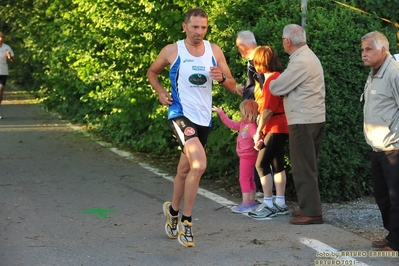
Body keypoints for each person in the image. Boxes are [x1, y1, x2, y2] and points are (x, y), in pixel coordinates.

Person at [146, 7, 236, 247]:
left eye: (203, 27)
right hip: (180, 115)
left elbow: (231, 84)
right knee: (199, 165)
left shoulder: (213, 51)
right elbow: (152, 72)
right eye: (194, 27)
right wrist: (160, 91)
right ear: (184, 26)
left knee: (185, 171)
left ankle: (172, 213)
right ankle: (186, 222)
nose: (199, 32)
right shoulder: (172, 51)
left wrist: (222, 78)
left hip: (203, 119)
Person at [270, 24, 325, 225]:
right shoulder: (307, 56)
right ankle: (307, 207)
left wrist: (272, 84)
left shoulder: (301, 60)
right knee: (307, 165)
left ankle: (311, 212)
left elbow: (278, 86)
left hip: (303, 120)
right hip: (312, 117)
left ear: (287, 41)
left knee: (303, 167)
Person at [360, 31, 399, 252]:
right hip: (378, 147)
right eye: (362, 49)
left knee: (396, 198)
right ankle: (392, 234)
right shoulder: (375, 72)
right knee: (382, 196)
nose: (363, 54)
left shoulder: (394, 73)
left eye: (368, 49)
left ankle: (396, 242)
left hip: (394, 147)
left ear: (383, 50)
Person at [246, 46, 290, 220]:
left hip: (275, 126)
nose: (254, 65)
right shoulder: (277, 77)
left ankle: (268, 203)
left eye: (256, 61)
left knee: (261, 164)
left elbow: (267, 111)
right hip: (281, 126)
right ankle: (280, 202)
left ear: (262, 61)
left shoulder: (272, 81)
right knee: (277, 163)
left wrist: (258, 132)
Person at [212, 100, 259, 213]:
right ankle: (251, 201)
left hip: (248, 155)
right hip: (246, 155)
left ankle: (246, 203)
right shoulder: (243, 124)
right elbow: (231, 124)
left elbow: (256, 137)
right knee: (250, 178)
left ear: (247, 112)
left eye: (242, 111)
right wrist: (221, 113)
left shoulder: (251, 126)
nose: (240, 114)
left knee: (244, 179)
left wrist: (259, 142)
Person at [236, 30, 265, 195]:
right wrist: (246, 89)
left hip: (257, 113)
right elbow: (255, 85)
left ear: (242, 46)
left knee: (256, 149)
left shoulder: (258, 60)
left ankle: (263, 191)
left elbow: (264, 86)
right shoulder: (256, 59)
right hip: (255, 111)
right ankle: (259, 190)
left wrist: (260, 112)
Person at [0, 31, 15, 119]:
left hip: (3, 72)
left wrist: (10, 57)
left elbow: (14, 60)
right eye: (0, 37)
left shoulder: (6, 47)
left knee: (0, 91)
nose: (1, 39)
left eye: (3, 37)